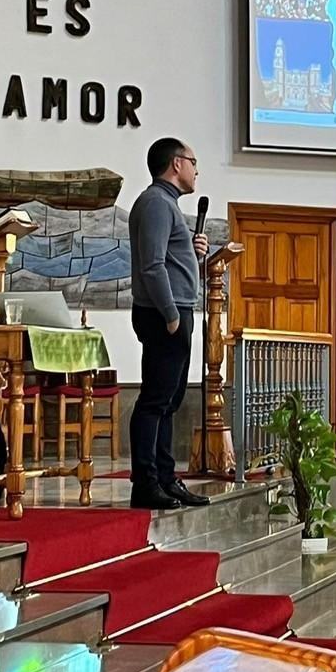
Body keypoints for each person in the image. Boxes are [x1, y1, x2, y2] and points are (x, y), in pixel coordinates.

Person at [127, 138, 210, 511]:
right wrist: (172, 316)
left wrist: (192, 255)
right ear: (176, 164)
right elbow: (152, 266)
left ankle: (165, 478)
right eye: (193, 162)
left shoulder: (166, 205)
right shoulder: (157, 204)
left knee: (170, 401)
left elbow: (167, 260)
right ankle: (145, 484)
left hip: (174, 310)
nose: (196, 170)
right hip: (166, 315)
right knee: (155, 400)